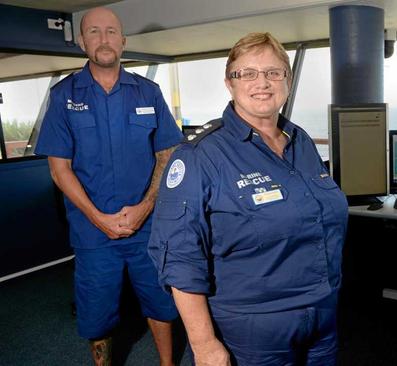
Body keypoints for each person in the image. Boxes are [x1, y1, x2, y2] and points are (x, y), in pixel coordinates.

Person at [148, 32, 348, 366]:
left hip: (322, 315)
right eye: (248, 74)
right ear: (230, 83)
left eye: (273, 72)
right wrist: (203, 344)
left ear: (287, 78)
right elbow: (179, 257)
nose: (263, 83)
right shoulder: (199, 156)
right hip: (253, 328)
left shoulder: (302, 143)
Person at [35, 7, 181, 366]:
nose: (104, 39)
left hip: (149, 228)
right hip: (93, 233)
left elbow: (168, 156)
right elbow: (59, 169)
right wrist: (98, 217)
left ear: (123, 40)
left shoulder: (149, 92)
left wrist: (145, 207)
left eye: (112, 31)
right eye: (95, 32)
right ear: (82, 41)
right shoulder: (63, 95)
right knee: (96, 315)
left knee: (161, 304)